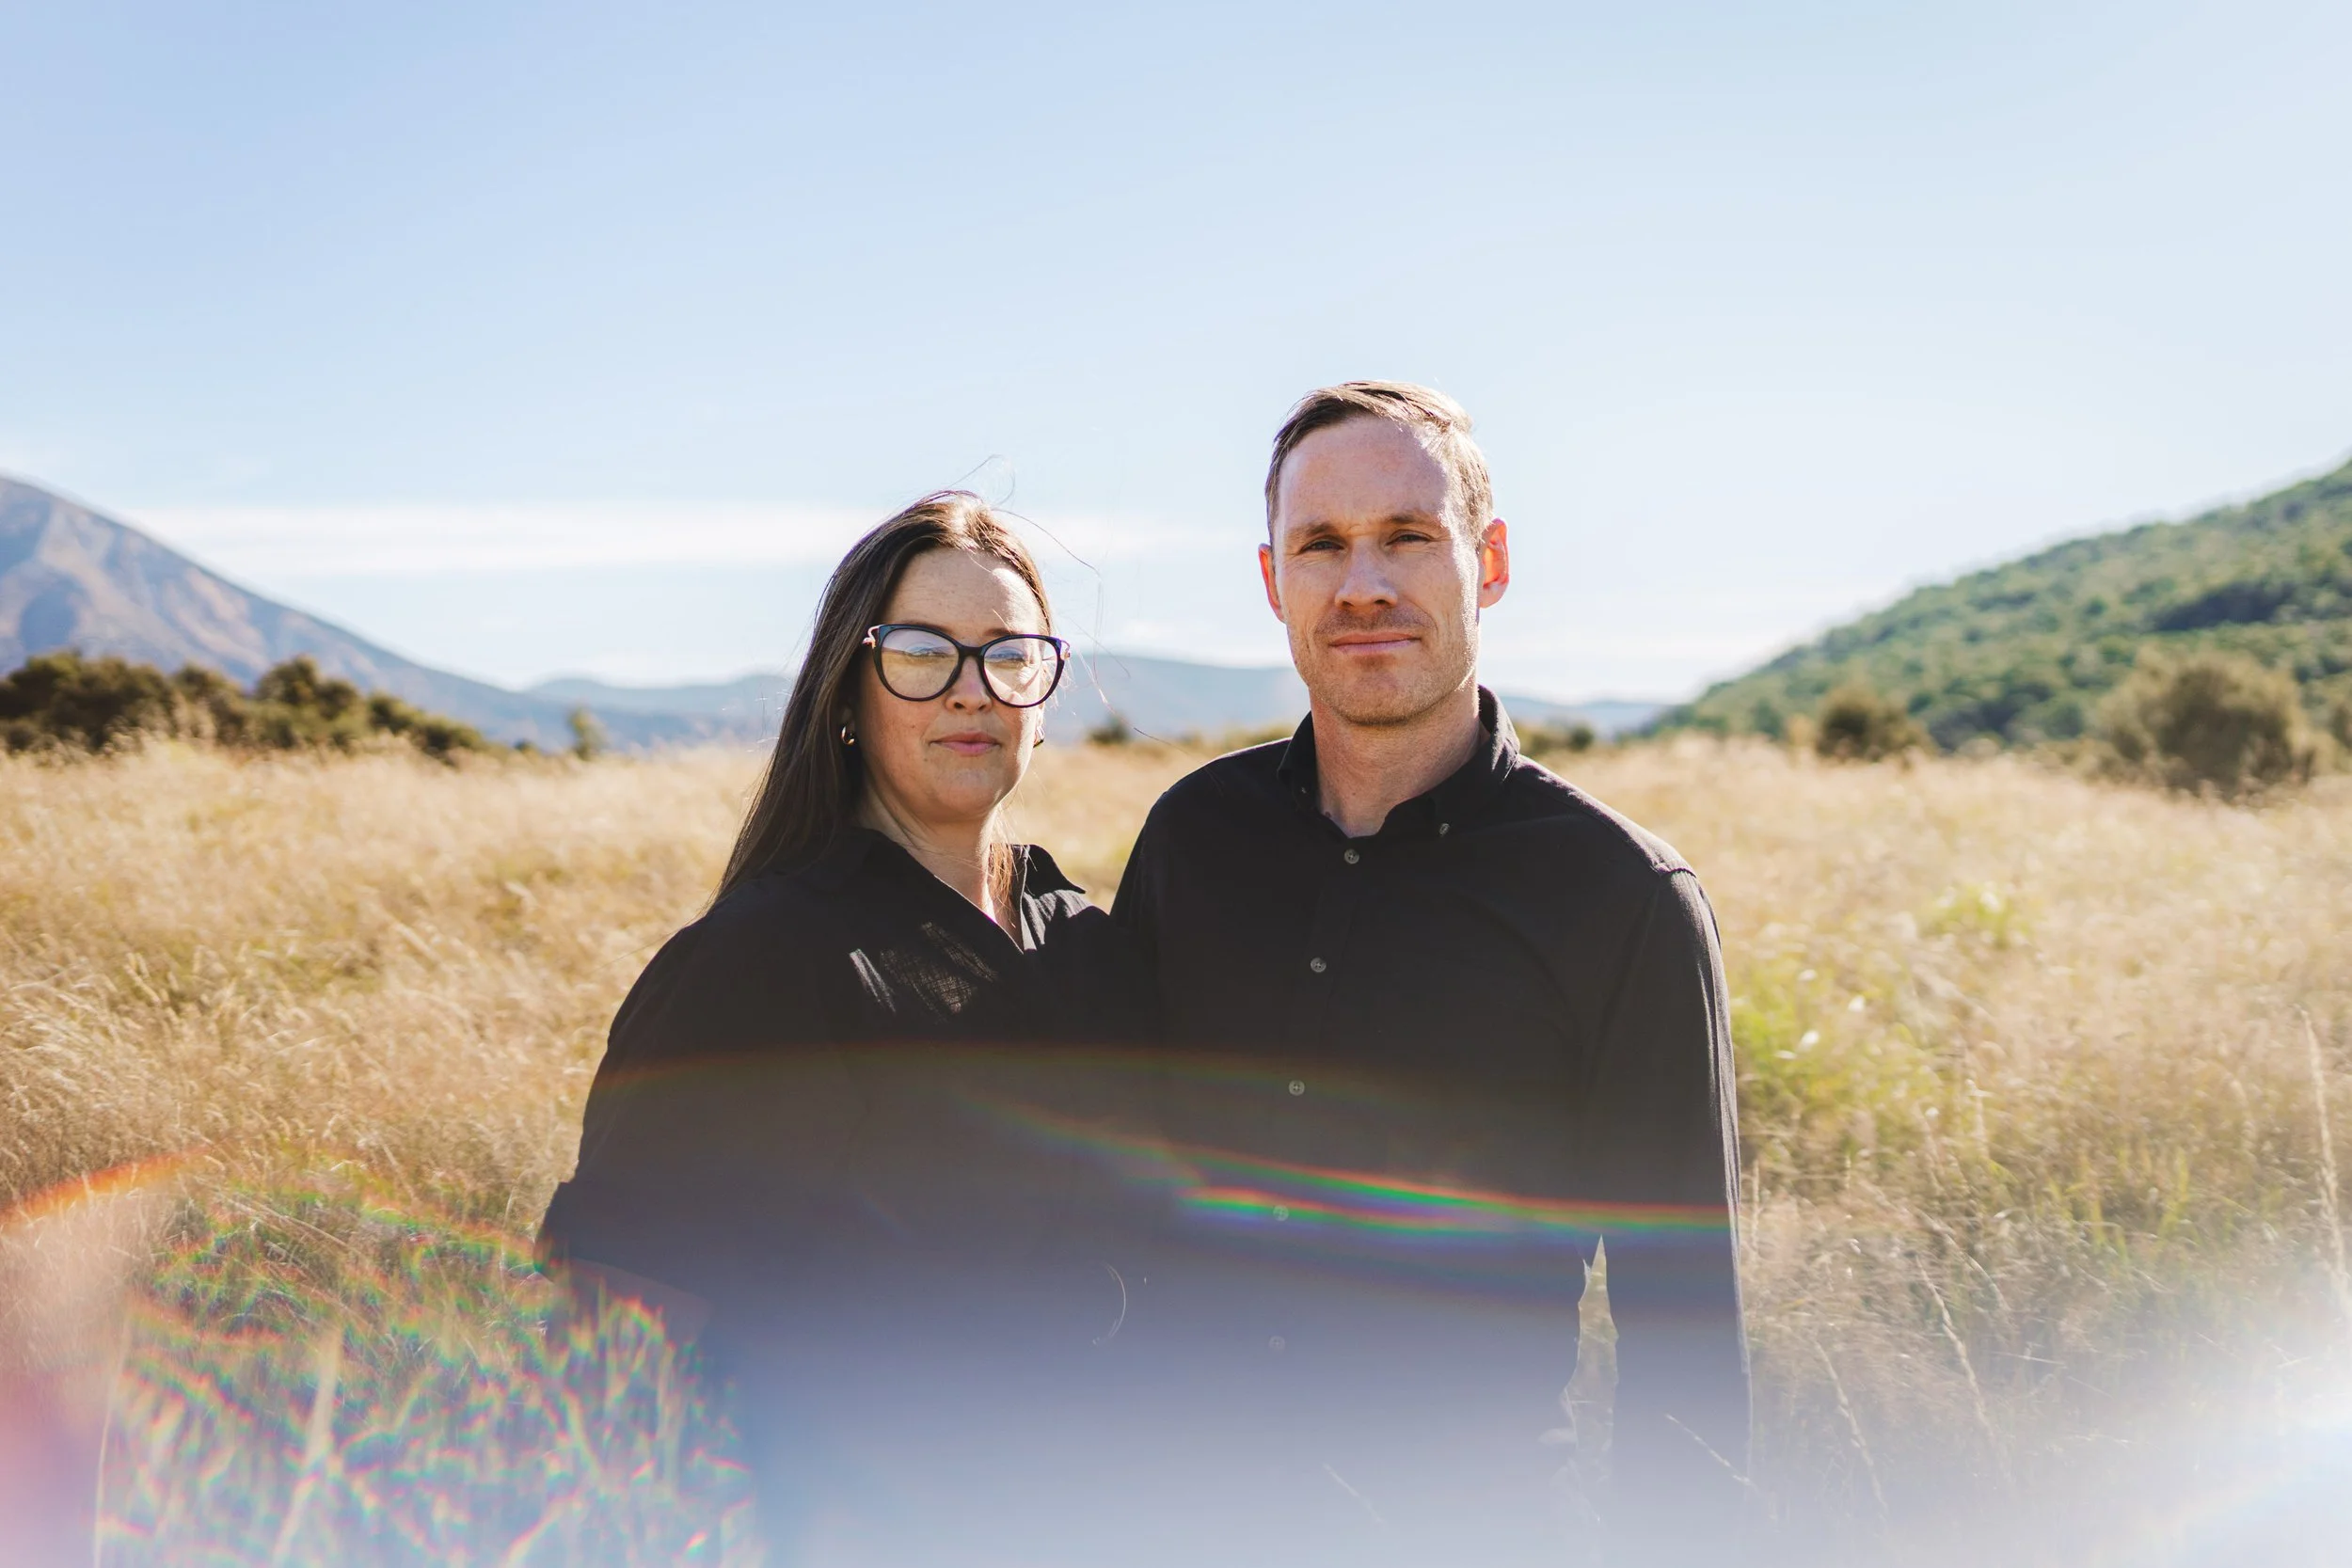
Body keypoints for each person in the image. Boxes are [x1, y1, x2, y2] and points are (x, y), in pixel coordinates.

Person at [1111, 383, 1750, 1565]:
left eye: (1408, 535)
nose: (1362, 584)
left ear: (1488, 561)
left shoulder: (1623, 900)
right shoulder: (1191, 839)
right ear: (1272, 581)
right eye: (1322, 545)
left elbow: (1685, 1340)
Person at [537, 492, 1156, 1564]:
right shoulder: (759, 965)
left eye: (1009, 655)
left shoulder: (1087, 944)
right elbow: (612, 1368)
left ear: (1044, 695)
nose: (971, 691)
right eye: (920, 654)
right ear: (848, 692)